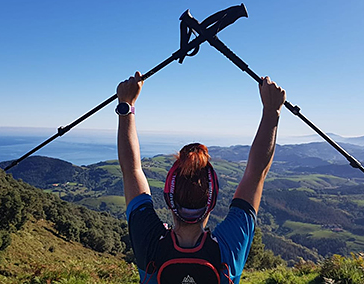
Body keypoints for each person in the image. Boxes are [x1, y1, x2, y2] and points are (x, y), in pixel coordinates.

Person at [116, 71, 286, 284]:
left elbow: (132, 170)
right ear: (212, 201)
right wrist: (272, 111)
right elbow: (256, 174)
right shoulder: (227, 249)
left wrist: (126, 105)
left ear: (169, 199)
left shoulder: (150, 244)